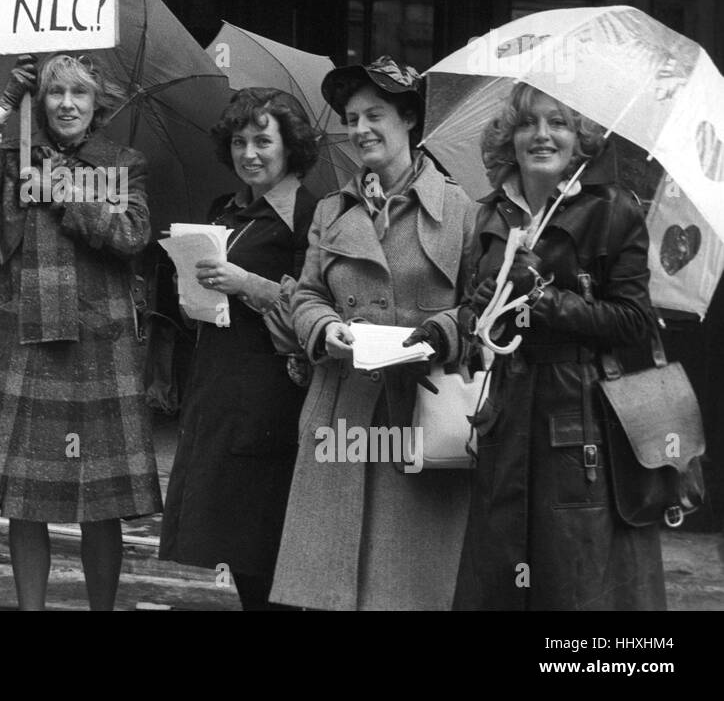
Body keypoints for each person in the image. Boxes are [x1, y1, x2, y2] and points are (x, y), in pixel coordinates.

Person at [0, 53, 161, 611]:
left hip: (94, 345)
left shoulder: (120, 163)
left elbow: (132, 233)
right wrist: (6, 101)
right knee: (24, 496)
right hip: (15, 342)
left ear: (96, 104)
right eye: (55, 93)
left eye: (79, 94)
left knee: (100, 502)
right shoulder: (12, 157)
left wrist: (63, 191)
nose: (66, 104)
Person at [267, 56, 477, 610]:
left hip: (420, 414)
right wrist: (324, 327)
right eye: (352, 117)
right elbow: (308, 294)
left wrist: (440, 331)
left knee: (408, 587)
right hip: (340, 413)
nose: (360, 129)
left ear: (409, 119)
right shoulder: (331, 212)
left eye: (375, 115)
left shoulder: (461, 212)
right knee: (333, 584)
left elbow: (484, 312)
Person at [453, 84, 663, 610]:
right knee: (500, 579)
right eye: (528, 123)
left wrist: (543, 298)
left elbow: (635, 321)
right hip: (506, 416)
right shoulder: (492, 213)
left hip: (578, 419)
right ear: (510, 137)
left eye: (559, 123)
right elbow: (481, 307)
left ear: (581, 138)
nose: (542, 135)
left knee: (574, 583)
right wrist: (468, 315)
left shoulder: (613, 211)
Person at [159, 87, 319, 610]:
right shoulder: (223, 211)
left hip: (275, 395)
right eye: (239, 141)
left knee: (271, 540)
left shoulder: (312, 215)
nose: (249, 153)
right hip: (220, 389)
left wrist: (245, 281)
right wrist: (194, 291)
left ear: (290, 146)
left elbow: (318, 307)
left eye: (263, 141)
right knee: (238, 545)